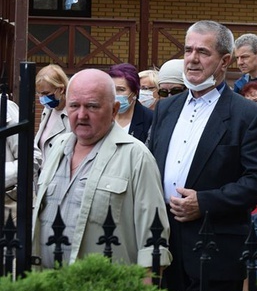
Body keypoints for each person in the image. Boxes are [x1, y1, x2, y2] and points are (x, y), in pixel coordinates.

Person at [147, 20, 257, 291]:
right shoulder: (166, 108)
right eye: (188, 50)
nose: (192, 59)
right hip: (162, 241)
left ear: (225, 60)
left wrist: (205, 202)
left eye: (203, 52)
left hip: (214, 247)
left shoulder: (247, 115)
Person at [32, 69, 171, 272]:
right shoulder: (57, 148)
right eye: (74, 106)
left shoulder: (136, 156)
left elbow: (153, 239)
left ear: (114, 110)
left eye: (92, 106)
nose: (81, 115)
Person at [108, 63, 153, 143]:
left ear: (135, 92)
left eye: (121, 90)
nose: (115, 94)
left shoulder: (150, 119)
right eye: (112, 89)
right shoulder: (103, 116)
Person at [34, 64, 70, 161]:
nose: (42, 98)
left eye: (45, 93)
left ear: (61, 89)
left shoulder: (73, 114)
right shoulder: (48, 110)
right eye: (39, 93)